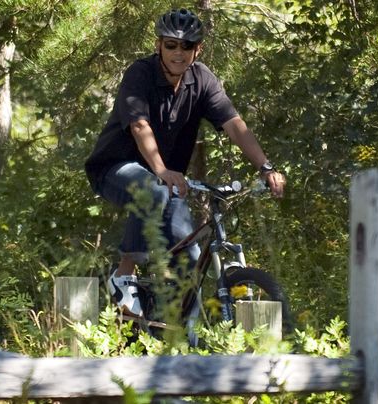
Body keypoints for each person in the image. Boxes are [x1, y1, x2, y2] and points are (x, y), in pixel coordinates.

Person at [84, 9, 286, 317]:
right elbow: (140, 126)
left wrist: (265, 166)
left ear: (198, 49)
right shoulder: (140, 74)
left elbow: (234, 124)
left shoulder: (202, 79)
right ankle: (123, 276)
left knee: (190, 260)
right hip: (116, 168)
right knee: (150, 190)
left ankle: (180, 342)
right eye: (171, 45)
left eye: (187, 46)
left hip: (168, 182)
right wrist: (162, 169)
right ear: (158, 46)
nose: (179, 52)